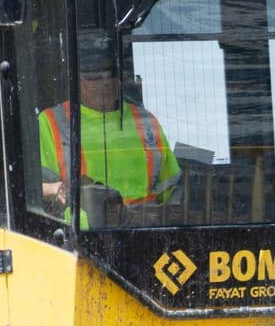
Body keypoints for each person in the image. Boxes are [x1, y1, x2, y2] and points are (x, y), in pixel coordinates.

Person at [38, 28, 180, 213]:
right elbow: (36, 188)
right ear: (72, 78)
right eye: (93, 75)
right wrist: (56, 190)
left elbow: (174, 188)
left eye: (110, 72)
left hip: (146, 225)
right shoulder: (51, 122)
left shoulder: (146, 122)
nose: (105, 81)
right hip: (85, 228)